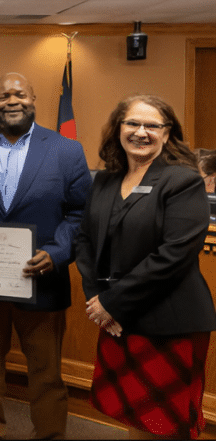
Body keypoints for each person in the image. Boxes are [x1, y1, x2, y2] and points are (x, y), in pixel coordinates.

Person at [0, 73, 91, 440]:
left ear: (33, 98)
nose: (12, 101)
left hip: (41, 280)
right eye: (4, 95)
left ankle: (50, 434)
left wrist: (57, 252)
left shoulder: (66, 150)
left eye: (19, 94)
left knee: (46, 370)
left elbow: (82, 213)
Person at [75, 94, 216, 439]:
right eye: (132, 123)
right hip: (116, 318)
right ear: (118, 129)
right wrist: (98, 300)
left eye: (152, 125)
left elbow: (175, 254)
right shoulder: (106, 181)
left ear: (167, 134)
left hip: (169, 320)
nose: (141, 132)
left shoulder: (182, 181)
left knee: (165, 424)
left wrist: (112, 303)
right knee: (133, 416)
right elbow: (84, 241)